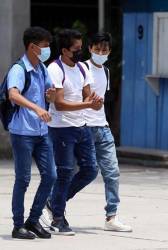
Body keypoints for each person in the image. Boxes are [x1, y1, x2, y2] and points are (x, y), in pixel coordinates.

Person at [46, 29, 102, 235]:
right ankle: (58, 218)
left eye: (80, 48)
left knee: (90, 170)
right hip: (61, 128)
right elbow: (59, 104)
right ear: (64, 51)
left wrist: (95, 103)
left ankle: (54, 201)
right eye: (76, 49)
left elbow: (89, 97)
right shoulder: (55, 69)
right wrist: (86, 105)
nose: (80, 52)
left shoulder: (81, 68)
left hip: (82, 126)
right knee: (65, 172)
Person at [7, 26, 57, 239]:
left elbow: (49, 96)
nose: (47, 50)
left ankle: (33, 220)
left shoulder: (42, 68)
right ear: (32, 47)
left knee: (50, 176)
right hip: (22, 133)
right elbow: (13, 95)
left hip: (41, 132)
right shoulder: (18, 69)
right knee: (23, 179)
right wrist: (37, 108)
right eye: (45, 46)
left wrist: (51, 96)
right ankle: (18, 225)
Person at [84, 32, 132, 232]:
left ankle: (111, 217)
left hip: (102, 128)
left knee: (112, 173)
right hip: (83, 128)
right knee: (79, 172)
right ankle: (54, 204)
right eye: (97, 49)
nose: (101, 53)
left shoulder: (106, 72)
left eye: (104, 50)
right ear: (90, 49)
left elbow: (103, 101)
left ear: (109, 51)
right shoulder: (81, 69)